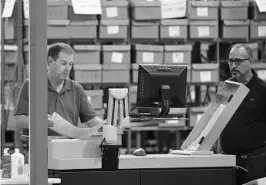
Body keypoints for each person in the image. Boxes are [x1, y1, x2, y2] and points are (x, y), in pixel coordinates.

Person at [14, 42, 105, 136]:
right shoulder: (31, 85)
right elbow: (19, 121)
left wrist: (105, 126)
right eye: (63, 63)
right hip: (40, 148)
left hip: (67, 146)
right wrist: (39, 121)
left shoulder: (76, 89)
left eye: (70, 64)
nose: (68, 68)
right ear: (50, 61)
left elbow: (91, 120)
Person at [220, 43, 266, 185]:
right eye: (230, 61)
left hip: (253, 163)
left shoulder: (262, 90)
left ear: (251, 62)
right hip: (229, 161)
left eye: (238, 61)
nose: (233, 65)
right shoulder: (227, 87)